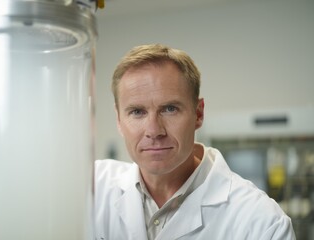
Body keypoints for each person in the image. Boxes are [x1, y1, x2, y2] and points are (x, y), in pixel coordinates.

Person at [94, 44, 296, 240]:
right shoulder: (91, 189)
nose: (154, 131)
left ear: (198, 114)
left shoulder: (261, 222)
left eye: (170, 109)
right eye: (137, 112)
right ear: (119, 120)